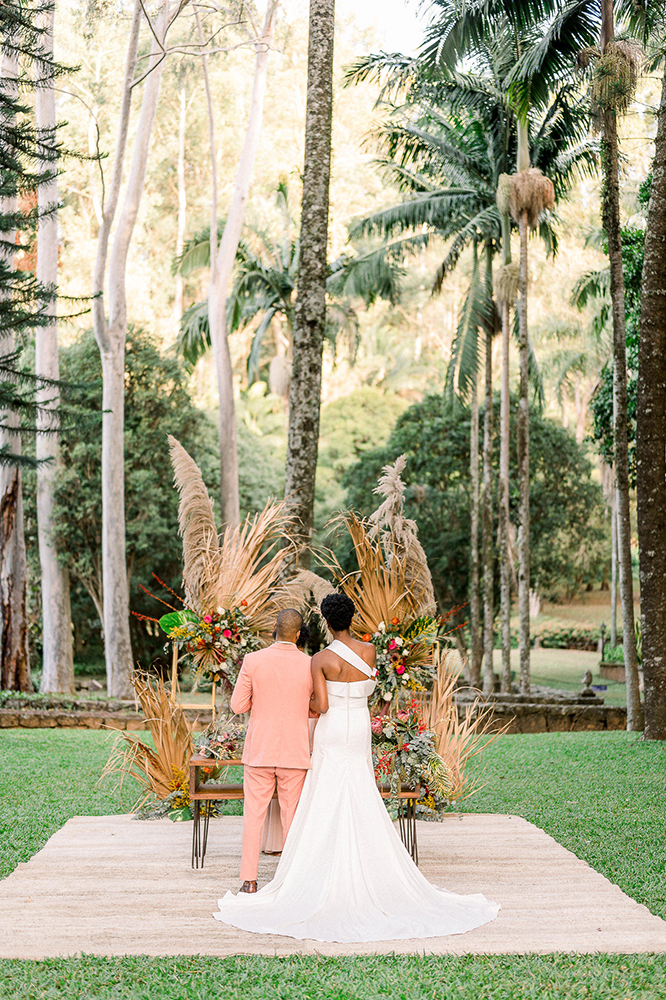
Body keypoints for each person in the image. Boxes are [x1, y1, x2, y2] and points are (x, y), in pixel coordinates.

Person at [214, 593, 500, 942]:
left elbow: (315, 705)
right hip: (357, 726)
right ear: (351, 618)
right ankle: (334, 870)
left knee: (304, 803)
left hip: (317, 734)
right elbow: (369, 691)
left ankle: (270, 879)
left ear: (324, 622)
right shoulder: (367, 652)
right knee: (342, 794)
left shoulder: (313, 659)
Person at [229, 607, 313, 894]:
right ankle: (290, 880)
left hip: (259, 751)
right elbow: (315, 707)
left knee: (254, 815)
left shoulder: (253, 660)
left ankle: (249, 880)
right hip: (295, 751)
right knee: (292, 817)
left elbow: (238, 706)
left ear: (274, 628)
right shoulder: (310, 664)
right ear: (299, 634)